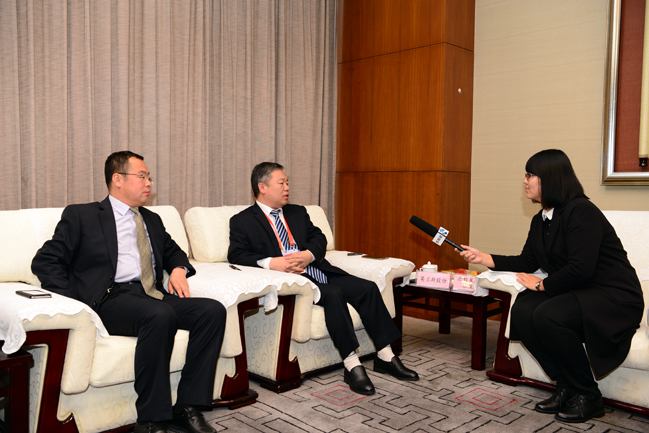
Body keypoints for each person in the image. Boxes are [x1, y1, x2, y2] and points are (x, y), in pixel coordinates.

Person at [32, 151, 225, 433]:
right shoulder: (83, 215)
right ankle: (151, 420)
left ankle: (187, 406)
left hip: (150, 294)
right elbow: (46, 261)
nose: (149, 183)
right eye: (142, 176)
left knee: (212, 311)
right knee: (160, 315)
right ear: (118, 179)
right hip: (111, 298)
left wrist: (179, 269)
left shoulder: (152, 219)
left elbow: (174, 252)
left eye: (149, 177)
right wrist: (77, 303)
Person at [459, 149, 644, 423]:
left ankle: (589, 395)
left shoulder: (581, 211)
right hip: (579, 289)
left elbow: (581, 268)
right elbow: (527, 260)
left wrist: (543, 286)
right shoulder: (541, 220)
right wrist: (485, 258)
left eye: (530, 175)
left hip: (612, 295)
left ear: (550, 178)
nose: (525, 181)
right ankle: (565, 385)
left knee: (548, 315)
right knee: (522, 311)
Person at [227, 162, 419, 395]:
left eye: (288, 182)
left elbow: (319, 238)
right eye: (282, 183)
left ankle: (385, 356)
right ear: (262, 187)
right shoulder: (243, 220)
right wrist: (271, 262)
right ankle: (352, 364)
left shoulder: (297, 212)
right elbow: (236, 255)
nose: (287, 187)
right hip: (296, 281)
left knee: (367, 288)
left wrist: (309, 254)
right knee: (334, 294)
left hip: (320, 271)